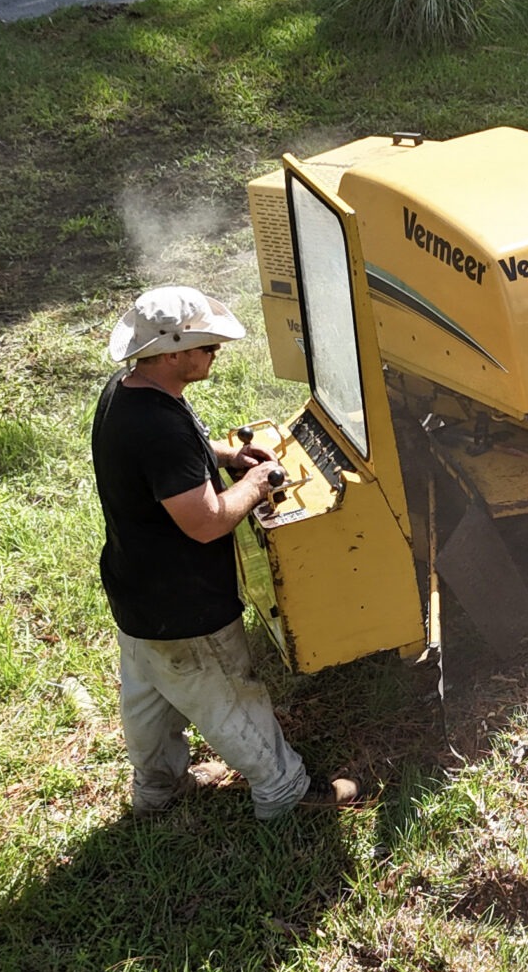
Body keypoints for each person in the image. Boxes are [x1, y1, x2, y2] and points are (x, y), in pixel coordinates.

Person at [90, 284, 352, 819]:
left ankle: (158, 789)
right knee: (232, 695)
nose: (215, 354)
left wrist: (229, 456)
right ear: (173, 351)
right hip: (185, 604)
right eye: (207, 347)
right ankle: (285, 792)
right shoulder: (158, 428)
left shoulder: (129, 390)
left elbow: (177, 455)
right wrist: (258, 482)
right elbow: (206, 523)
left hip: (136, 590)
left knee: (150, 700)